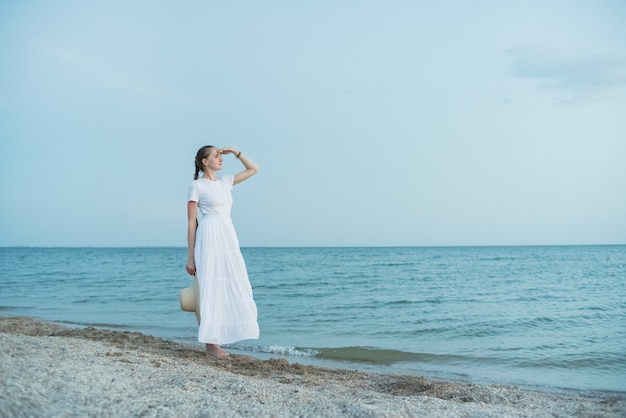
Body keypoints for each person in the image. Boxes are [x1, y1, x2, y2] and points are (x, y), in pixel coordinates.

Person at [185, 145, 260, 358]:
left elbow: (254, 169)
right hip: (208, 236)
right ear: (204, 162)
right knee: (211, 286)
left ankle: (222, 336)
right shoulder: (196, 186)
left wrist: (236, 152)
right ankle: (211, 344)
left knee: (232, 281)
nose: (221, 159)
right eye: (216, 156)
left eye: (221, 156)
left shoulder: (226, 182)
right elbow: (191, 223)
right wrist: (191, 257)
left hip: (227, 235)